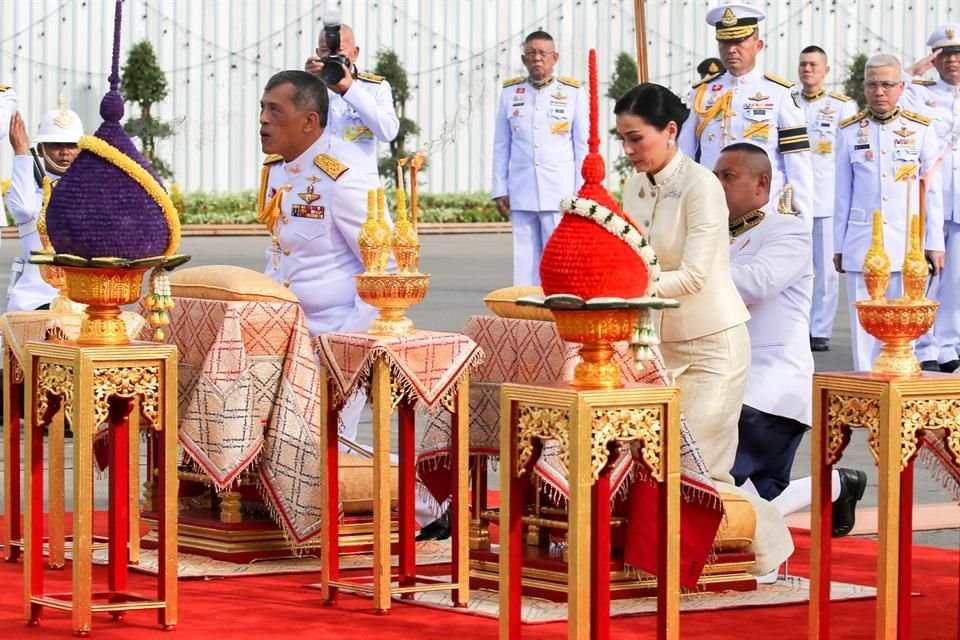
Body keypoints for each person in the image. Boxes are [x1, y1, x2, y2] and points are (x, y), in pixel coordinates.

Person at [717, 143, 866, 537]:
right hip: (730, 378)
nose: (718, 185)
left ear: (761, 183)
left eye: (728, 176)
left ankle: (833, 487)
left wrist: (694, 268)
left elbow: (757, 283)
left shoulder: (788, 229)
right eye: (715, 176)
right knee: (753, 497)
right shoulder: (718, 235)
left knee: (717, 476)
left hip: (769, 385)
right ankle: (835, 486)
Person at [616, 83, 749, 485]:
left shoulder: (701, 186)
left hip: (712, 348)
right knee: (649, 468)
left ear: (670, 130)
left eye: (636, 138)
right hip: (655, 350)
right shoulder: (633, 186)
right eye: (622, 139)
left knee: (698, 474)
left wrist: (628, 288)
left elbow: (694, 276)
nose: (627, 150)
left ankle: (766, 546)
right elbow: (629, 258)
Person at [257, 70, 378, 445]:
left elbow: (383, 267)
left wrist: (349, 345)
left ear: (309, 121)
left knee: (328, 453)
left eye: (275, 110)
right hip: (283, 335)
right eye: (262, 108)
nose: (262, 119)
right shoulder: (278, 169)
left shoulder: (342, 174)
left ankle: (427, 501)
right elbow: (280, 253)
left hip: (331, 339)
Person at [834, 54, 944, 372]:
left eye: (886, 84)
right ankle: (868, 392)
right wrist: (838, 247)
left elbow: (931, 192)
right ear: (864, 87)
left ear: (901, 87)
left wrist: (934, 242)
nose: (879, 91)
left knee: (906, 326)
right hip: (861, 242)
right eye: (872, 85)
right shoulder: (850, 131)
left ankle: (901, 397)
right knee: (865, 327)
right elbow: (841, 193)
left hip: (909, 245)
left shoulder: (920, 129)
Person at [678, 3, 814, 225]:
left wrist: (803, 224)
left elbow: (798, 163)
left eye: (739, 41)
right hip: (711, 210)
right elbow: (684, 157)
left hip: (764, 213)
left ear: (758, 44)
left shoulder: (779, 93)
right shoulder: (700, 93)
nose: (731, 49)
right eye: (725, 41)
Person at [491, 30, 588, 286]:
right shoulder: (511, 93)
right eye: (531, 53)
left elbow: (582, 147)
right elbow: (501, 145)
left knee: (558, 255)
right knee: (523, 258)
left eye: (542, 53)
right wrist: (499, 188)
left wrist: (581, 191)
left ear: (554, 57)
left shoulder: (572, 93)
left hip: (559, 190)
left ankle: (558, 306)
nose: (537, 59)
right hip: (521, 188)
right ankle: (524, 308)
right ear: (524, 59)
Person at [901, 24, 960, 373]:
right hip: (930, 200)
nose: (954, 61)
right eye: (946, 55)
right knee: (923, 275)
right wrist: (913, 71)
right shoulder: (922, 93)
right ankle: (924, 345)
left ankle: (949, 344)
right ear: (935, 60)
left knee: (955, 280)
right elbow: (894, 94)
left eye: (958, 55)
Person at [796, 46, 859, 352]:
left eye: (813, 65)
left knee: (825, 270)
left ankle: (819, 329)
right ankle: (797, 326)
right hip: (794, 201)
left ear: (825, 71)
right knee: (796, 267)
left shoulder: (841, 107)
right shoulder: (789, 101)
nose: (807, 69)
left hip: (826, 197)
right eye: (803, 64)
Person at [5, 98, 84, 311]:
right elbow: (23, 209)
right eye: (56, 145)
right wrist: (21, 153)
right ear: (41, 149)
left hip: (83, 299)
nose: (65, 152)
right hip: (35, 300)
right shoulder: (28, 188)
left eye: (71, 145)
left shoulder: (91, 190)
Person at [304, 22, 399, 189]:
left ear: (354, 53)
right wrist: (304, 83)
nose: (332, 56)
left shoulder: (374, 88)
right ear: (317, 53)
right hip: (313, 189)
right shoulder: (304, 87)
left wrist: (349, 90)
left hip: (358, 190)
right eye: (325, 50)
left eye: (339, 50)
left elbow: (388, 132)